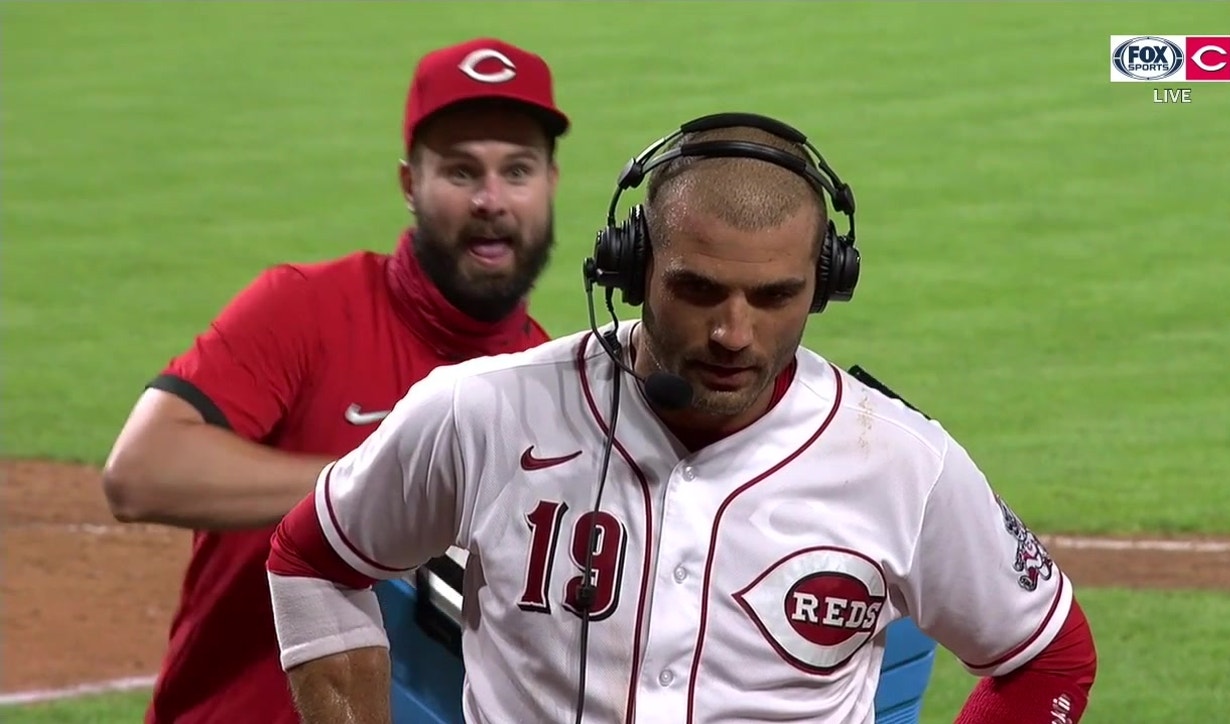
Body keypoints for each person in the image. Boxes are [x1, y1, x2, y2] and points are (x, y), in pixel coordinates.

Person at [265, 115, 1098, 723]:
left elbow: (1047, 656)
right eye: (698, 290)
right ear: (632, 269)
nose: (735, 334)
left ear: (827, 284)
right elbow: (315, 554)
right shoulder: (483, 411)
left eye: (776, 298)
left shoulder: (902, 463)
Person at [100, 37, 568, 724]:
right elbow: (140, 473)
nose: (491, 200)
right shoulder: (306, 310)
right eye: (461, 172)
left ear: (551, 184)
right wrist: (388, 488)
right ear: (411, 183)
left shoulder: (558, 390)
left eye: (517, 171)